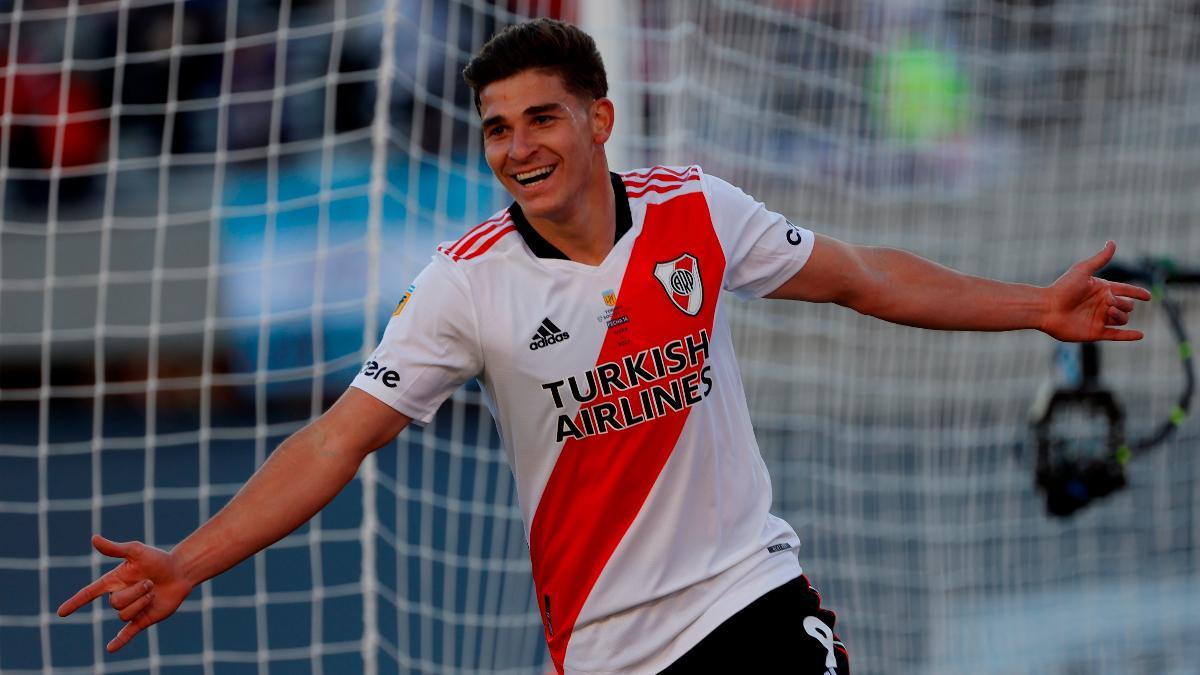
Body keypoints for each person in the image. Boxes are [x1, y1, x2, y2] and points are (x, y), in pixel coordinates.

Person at [58, 18, 1152, 675]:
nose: (517, 147)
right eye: (496, 128)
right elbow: (338, 439)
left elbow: (862, 277)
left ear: (599, 120)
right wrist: (189, 560)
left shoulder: (699, 212)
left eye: (540, 119)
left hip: (749, 600)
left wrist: (1032, 307)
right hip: (608, 647)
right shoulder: (461, 284)